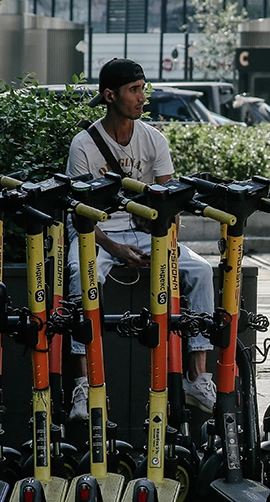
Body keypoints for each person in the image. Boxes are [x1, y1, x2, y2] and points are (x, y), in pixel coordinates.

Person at [66, 57, 217, 417]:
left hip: (147, 230)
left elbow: (171, 201)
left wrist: (166, 239)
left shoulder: (153, 139)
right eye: (134, 90)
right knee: (78, 275)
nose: (141, 97)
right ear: (109, 95)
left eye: (143, 89)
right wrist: (114, 247)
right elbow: (78, 211)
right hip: (97, 232)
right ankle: (82, 386)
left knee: (201, 272)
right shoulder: (83, 145)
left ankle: (198, 377)